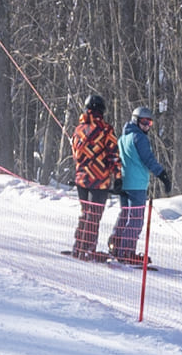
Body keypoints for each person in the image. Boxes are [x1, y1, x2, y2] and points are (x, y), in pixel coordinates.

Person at [108, 105, 168, 265]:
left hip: (125, 183)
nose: (147, 126)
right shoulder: (139, 138)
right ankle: (126, 252)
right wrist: (162, 174)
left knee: (124, 215)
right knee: (136, 219)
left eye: (150, 123)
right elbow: (148, 159)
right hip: (136, 185)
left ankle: (116, 245)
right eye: (144, 122)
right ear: (136, 120)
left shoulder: (123, 138)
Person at [69, 93, 120, 259]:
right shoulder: (106, 130)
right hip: (99, 180)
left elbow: (76, 155)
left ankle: (79, 246)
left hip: (82, 180)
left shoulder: (78, 130)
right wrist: (118, 176)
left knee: (85, 213)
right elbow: (113, 154)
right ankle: (89, 249)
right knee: (94, 216)